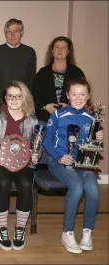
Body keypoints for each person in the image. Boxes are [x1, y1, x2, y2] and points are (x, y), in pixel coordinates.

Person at [42, 78, 103, 254]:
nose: (78, 98)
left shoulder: (92, 118)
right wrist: (59, 156)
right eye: (74, 94)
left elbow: (91, 148)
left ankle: (87, 232)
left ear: (88, 95)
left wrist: (97, 141)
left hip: (82, 164)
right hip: (60, 162)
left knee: (93, 189)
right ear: (68, 95)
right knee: (76, 187)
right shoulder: (58, 115)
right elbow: (47, 140)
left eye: (82, 94)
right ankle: (67, 232)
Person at [0, 81, 39, 251]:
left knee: (26, 184)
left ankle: (20, 229)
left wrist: (36, 155)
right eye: (10, 96)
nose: (14, 99)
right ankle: (2, 229)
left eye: (18, 96)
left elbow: (37, 145)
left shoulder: (32, 119)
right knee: (4, 183)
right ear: (5, 98)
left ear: (24, 97)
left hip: (23, 161)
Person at [0, 18, 36, 117]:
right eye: (9, 32)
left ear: (21, 33)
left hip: (22, 105)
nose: (12, 35)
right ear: (5, 34)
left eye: (15, 31)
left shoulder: (30, 52)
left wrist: (31, 105)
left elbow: (32, 82)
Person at [32, 36, 86, 123]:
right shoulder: (42, 73)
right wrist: (45, 107)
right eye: (57, 47)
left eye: (63, 47)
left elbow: (83, 95)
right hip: (46, 118)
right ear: (52, 50)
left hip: (70, 118)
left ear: (68, 51)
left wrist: (70, 107)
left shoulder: (77, 73)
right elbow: (34, 95)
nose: (60, 50)